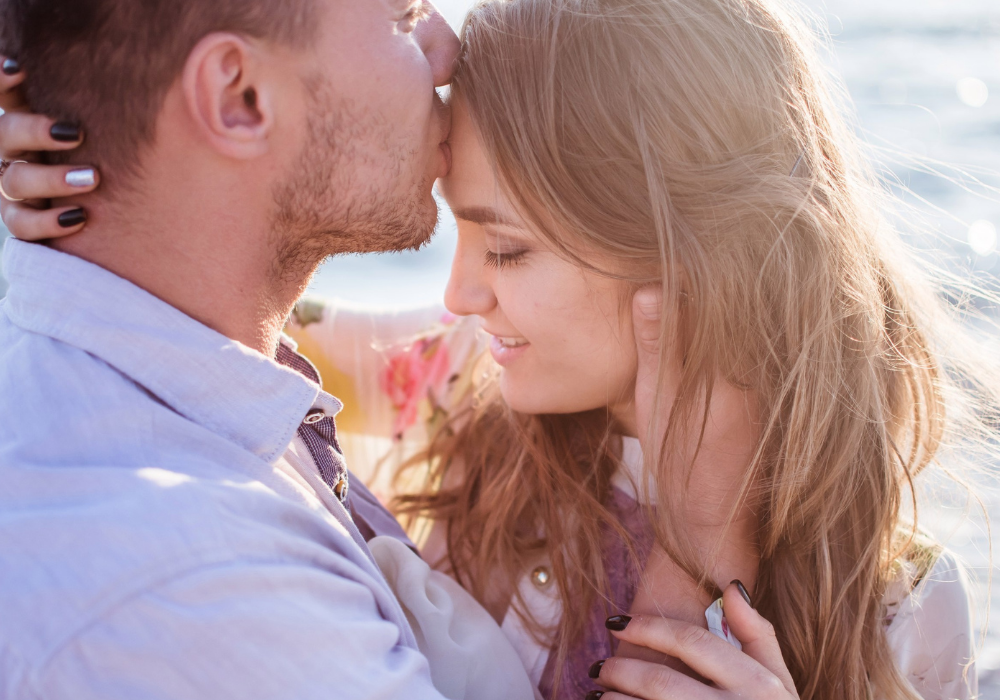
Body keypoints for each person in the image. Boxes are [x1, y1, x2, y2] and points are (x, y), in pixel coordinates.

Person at [0, 2, 993, 700]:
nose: (458, 292)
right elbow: (234, 331)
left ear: (694, 261)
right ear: (236, 96)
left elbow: (208, 336)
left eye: (506, 247)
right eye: (397, 15)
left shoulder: (895, 598)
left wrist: (102, 197)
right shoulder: (460, 387)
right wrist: (106, 181)